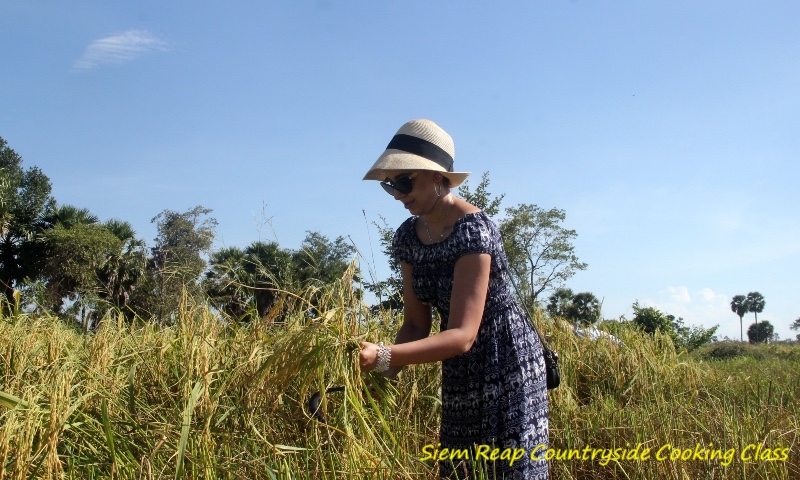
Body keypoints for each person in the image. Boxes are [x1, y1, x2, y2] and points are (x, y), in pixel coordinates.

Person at [359, 119, 549, 479]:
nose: (398, 194)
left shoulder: (473, 230)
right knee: (463, 469)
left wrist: (384, 354)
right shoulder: (407, 239)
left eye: (404, 181)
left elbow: (463, 334)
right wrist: (380, 374)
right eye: (391, 185)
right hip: (459, 368)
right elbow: (416, 324)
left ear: (436, 176)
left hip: (506, 361)